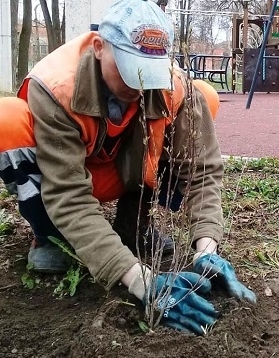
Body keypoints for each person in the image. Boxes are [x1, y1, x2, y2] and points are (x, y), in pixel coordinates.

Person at [0, 0, 256, 335]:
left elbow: (202, 172)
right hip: (72, 173)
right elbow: (69, 194)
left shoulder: (172, 85)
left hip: (130, 171)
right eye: (129, 69)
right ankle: (50, 237)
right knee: (6, 119)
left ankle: (133, 226)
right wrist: (139, 280)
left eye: (148, 73)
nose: (139, 86)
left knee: (202, 97)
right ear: (98, 48)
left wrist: (206, 247)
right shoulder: (54, 87)